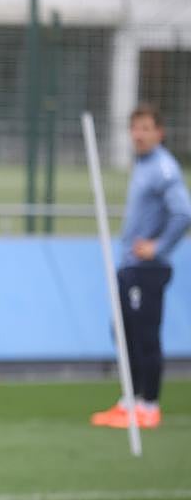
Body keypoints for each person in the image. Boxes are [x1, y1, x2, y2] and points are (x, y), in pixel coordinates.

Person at [91, 103, 191, 430]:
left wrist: (157, 247)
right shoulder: (143, 166)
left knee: (145, 335)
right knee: (124, 333)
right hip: (130, 265)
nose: (139, 134)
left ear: (159, 133)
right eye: (135, 127)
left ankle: (149, 404)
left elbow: (182, 213)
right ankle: (130, 400)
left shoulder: (164, 169)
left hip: (148, 269)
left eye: (146, 128)